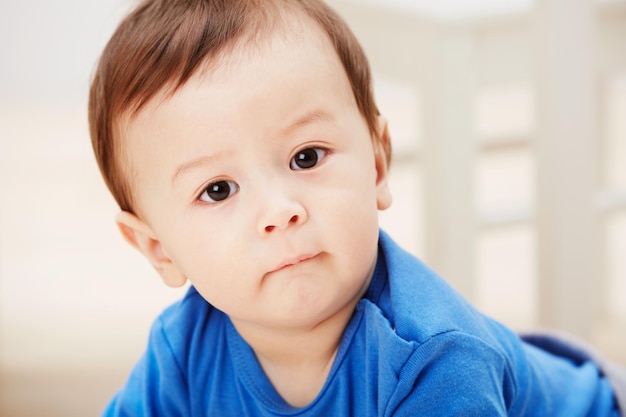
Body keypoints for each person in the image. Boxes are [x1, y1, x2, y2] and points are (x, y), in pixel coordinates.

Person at [88, 0, 624, 415]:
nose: (280, 210)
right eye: (219, 190)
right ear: (159, 249)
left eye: (306, 157)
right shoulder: (183, 352)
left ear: (376, 165)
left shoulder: (434, 361)